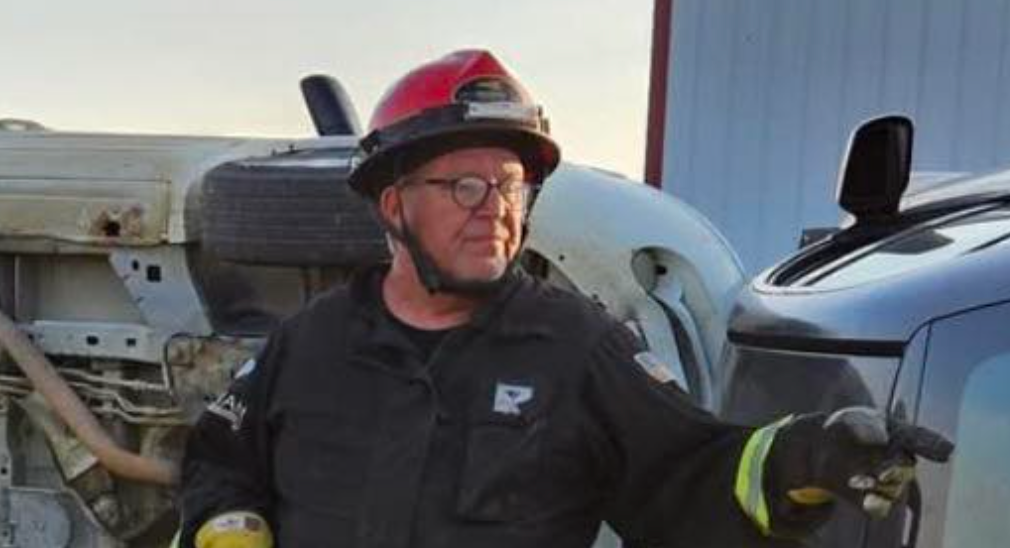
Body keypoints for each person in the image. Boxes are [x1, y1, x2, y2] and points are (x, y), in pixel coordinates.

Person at [177, 49, 950, 548]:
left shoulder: (580, 349)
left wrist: (804, 458)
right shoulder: (310, 344)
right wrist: (227, 525)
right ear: (392, 204)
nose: (494, 208)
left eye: (511, 186)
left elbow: (694, 476)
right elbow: (221, 461)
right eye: (465, 185)